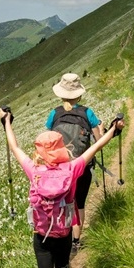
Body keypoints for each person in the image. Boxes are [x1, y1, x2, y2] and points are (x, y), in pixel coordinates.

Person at [0, 107, 123, 268]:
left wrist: (6, 122)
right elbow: (95, 148)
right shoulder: (71, 169)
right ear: (61, 148)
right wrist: (114, 129)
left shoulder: (33, 171)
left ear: (39, 152)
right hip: (64, 234)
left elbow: (14, 148)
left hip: (41, 237)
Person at [45, 73, 102, 254]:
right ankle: (76, 241)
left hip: (59, 168)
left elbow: (48, 140)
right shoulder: (87, 113)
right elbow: (98, 142)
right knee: (79, 204)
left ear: (61, 94)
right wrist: (101, 130)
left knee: (62, 202)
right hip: (81, 166)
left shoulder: (54, 114)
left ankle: (60, 236)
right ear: (79, 94)